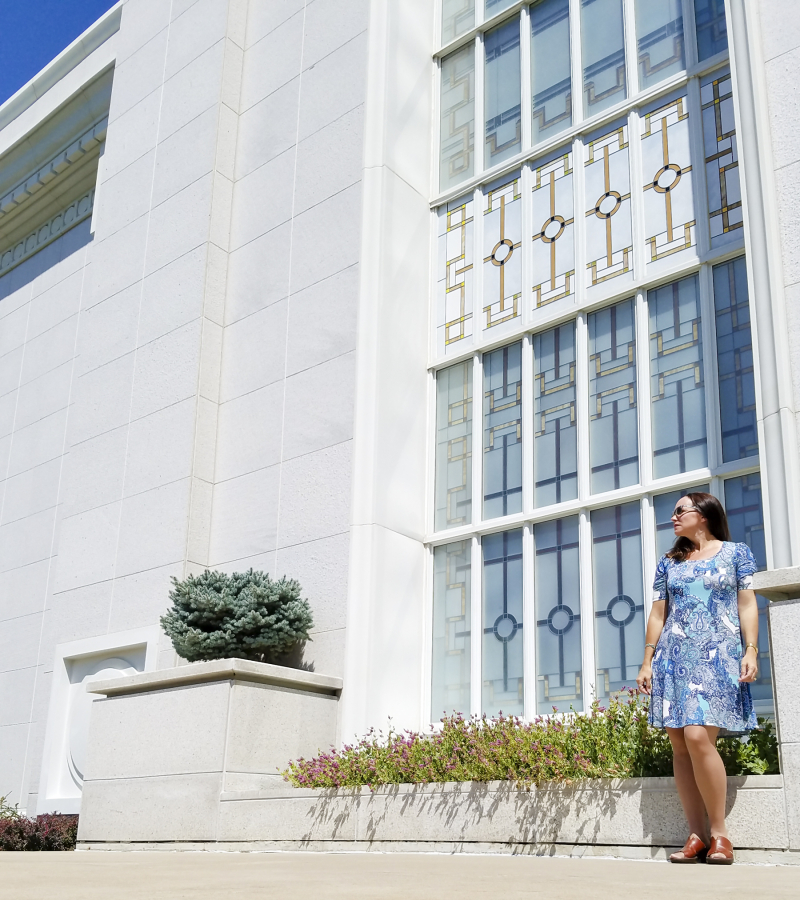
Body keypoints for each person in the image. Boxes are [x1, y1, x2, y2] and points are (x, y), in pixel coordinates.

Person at [636, 492, 759, 866]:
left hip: (717, 656)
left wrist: (751, 649)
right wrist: (647, 661)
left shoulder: (736, 554)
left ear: (703, 515)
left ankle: (720, 834)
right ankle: (696, 835)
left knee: (697, 735)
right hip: (672, 658)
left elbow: (747, 603)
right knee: (680, 745)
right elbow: (659, 614)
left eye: (680, 511)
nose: (673, 518)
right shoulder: (669, 562)